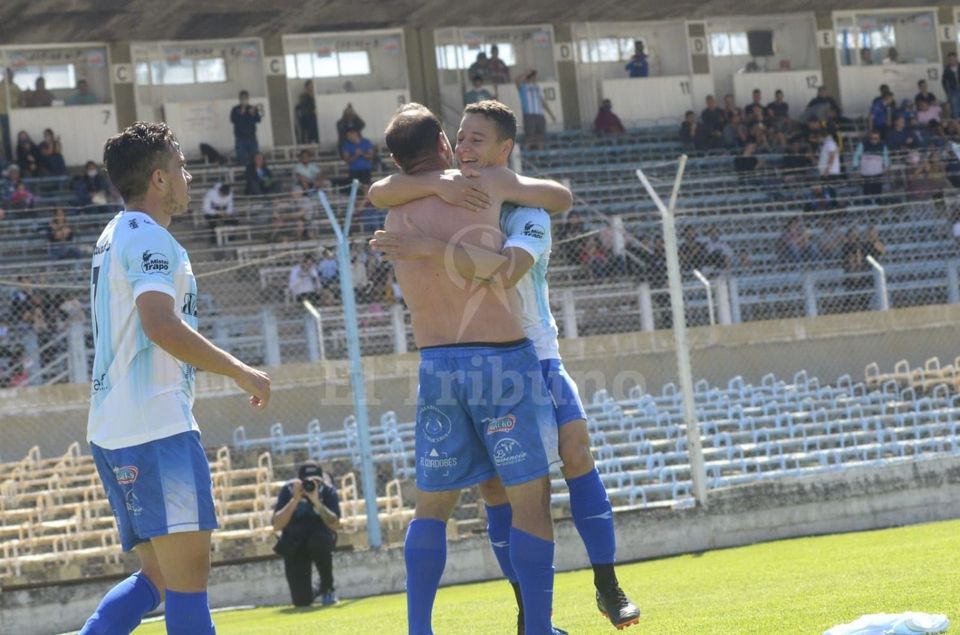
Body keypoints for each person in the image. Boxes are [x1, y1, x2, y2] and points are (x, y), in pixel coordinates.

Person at [369, 101, 639, 631]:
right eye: (460, 138)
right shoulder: (459, 190)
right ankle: (528, 616)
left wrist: (428, 243)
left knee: (576, 453)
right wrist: (443, 189)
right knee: (504, 493)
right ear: (445, 146)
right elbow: (384, 187)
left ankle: (607, 584)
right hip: (497, 360)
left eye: (477, 139)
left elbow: (516, 259)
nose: (466, 147)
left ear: (503, 153)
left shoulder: (514, 203)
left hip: (534, 354)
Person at [80, 121, 271, 635]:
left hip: (111, 429)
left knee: (159, 578)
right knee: (188, 588)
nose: (188, 175)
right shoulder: (152, 238)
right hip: (156, 427)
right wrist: (238, 370)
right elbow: (159, 323)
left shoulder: (113, 233)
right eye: (181, 166)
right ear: (160, 180)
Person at [272, 462, 341, 607]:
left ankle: (327, 587)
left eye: (316, 481)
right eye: (308, 481)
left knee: (319, 540)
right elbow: (277, 525)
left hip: (319, 539)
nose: (311, 484)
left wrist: (317, 501)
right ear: (299, 482)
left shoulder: (327, 491)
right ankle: (315, 590)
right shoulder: (288, 490)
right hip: (294, 542)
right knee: (301, 601)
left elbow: (335, 525)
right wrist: (295, 500)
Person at [516, 70, 555, 150]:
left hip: (540, 115)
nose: (536, 78)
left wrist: (551, 114)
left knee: (540, 137)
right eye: (535, 76)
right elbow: (516, 81)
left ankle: (540, 156)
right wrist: (526, 72)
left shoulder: (537, 88)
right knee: (529, 136)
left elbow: (543, 102)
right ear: (531, 76)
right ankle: (526, 154)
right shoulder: (523, 87)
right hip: (529, 114)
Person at [852, 131, 889, 201]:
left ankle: (878, 208)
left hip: (878, 173)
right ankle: (868, 208)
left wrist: (886, 166)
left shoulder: (883, 146)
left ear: (879, 139)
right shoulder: (862, 145)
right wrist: (855, 167)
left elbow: (886, 157)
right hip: (866, 173)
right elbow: (856, 156)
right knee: (867, 193)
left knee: (878, 192)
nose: (873, 140)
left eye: (876, 138)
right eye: (872, 138)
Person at [230, 90, 262, 167]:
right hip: (240, 138)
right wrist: (241, 113)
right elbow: (233, 120)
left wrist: (253, 113)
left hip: (251, 137)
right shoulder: (235, 109)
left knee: (254, 156)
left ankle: (254, 174)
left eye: (245, 98)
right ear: (239, 99)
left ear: (248, 98)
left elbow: (258, 120)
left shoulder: (252, 108)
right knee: (241, 157)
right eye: (242, 98)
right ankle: (242, 175)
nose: (244, 100)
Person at [0, 69, 20, 161]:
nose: (11, 77)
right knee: (5, 138)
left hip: (14, 116)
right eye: (8, 75)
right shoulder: (2, 87)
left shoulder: (15, 86)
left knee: (13, 136)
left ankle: (11, 157)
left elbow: (21, 98)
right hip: (3, 114)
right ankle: (7, 158)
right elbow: (10, 101)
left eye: (11, 75)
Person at [295, 80, 318, 144]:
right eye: (310, 85)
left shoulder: (315, 95)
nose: (311, 87)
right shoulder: (303, 96)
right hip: (306, 117)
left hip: (314, 116)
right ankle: (310, 140)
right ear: (306, 87)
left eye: (312, 86)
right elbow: (304, 106)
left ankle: (315, 140)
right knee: (310, 123)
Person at [943, 52, 960, 120]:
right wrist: (947, 91)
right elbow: (943, 81)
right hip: (953, 90)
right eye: (950, 59)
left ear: (956, 58)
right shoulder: (947, 69)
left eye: (953, 58)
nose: (951, 60)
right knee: (955, 107)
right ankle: (958, 123)